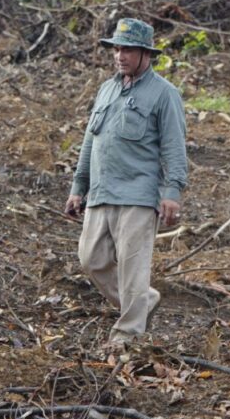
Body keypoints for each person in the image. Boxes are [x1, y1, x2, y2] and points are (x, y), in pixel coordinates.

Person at [65, 18, 187, 351]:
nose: (120, 56)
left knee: (133, 266)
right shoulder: (107, 89)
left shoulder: (164, 94)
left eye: (128, 50)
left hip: (138, 194)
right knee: (91, 259)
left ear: (146, 53)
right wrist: (78, 186)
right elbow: (91, 141)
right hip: (101, 192)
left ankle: (128, 334)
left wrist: (172, 192)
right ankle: (144, 301)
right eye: (117, 49)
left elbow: (174, 147)